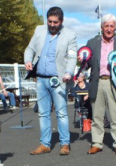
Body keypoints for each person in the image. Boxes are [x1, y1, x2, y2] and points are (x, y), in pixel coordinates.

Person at [24, 7, 77, 155]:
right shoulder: (39, 30)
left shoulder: (70, 35)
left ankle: (65, 144)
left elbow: (72, 57)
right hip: (40, 79)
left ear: (61, 21)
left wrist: (68, 72)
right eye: (50, 21)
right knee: (43, 113)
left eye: (55, 22)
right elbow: (29, 49)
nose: (52, 25)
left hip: (58, 80)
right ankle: (45, 144)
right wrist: (28, 60)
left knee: (61, 113)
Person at [78, 14, 116, 155]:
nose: (109, 29)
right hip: (97, 81)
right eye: (106, 26)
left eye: (111, 26)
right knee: (97, 115)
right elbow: (87, 63)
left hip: (114, 82)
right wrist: (82, 60)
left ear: (115, 28)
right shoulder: (92, 42)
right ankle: (96, 143)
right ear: (102, 27)